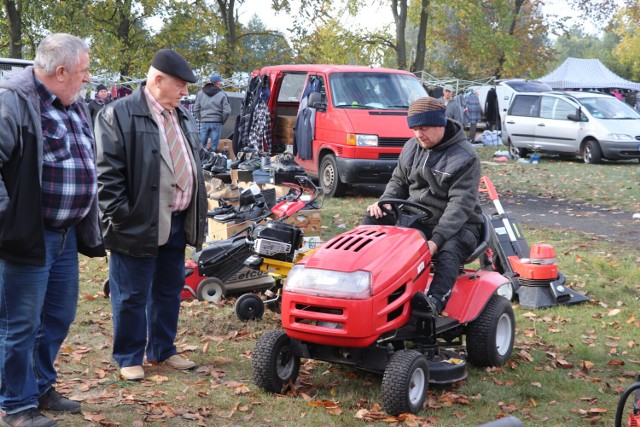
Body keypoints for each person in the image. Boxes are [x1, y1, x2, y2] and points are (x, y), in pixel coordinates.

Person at [0, 33, 105, 427]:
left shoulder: (71, 103)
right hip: (27, 236)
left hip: (65, 235)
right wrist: (8, 221)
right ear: (61, 72)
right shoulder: (12, 101)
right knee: (18, 324)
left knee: (58, 316)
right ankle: (16, 404)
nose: (88, 78)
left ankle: (40, 385)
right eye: (83, 71)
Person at [94, 49, 207, 381]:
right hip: (136, 224)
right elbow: (107, 175)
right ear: (157, 80)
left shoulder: (181, 115)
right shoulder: (119, 114)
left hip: (175, 221)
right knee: (131, 293)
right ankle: (129, 355)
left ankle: (162, 349)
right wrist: (124, 218)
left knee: (169, 289)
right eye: (180, 85)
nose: (186, 92)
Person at [363, 97, 483, 315]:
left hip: (458, 224)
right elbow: (398, 181)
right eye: (414, 129)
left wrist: (435, 241)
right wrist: (384, 202)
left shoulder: (465, 157)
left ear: (441, 124)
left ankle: (434, 301)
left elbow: (459, 205)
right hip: (415, 216)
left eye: (424, 128)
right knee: (372, 222)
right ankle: (364, 283)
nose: (418, 134)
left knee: (449, 250)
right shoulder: (412, 146)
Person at [193, 73, 231, 151]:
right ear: (217, 83)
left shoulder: (200, 93)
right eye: (220, 82)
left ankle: (200, 161)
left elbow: (195, 109)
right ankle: (213, 160)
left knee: (201, 145)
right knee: (214, 146)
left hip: (204, 121)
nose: (220, 83)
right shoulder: (222, 94)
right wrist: (221, 121)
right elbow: (227, 111)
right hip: (217, 122)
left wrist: (201, 119)